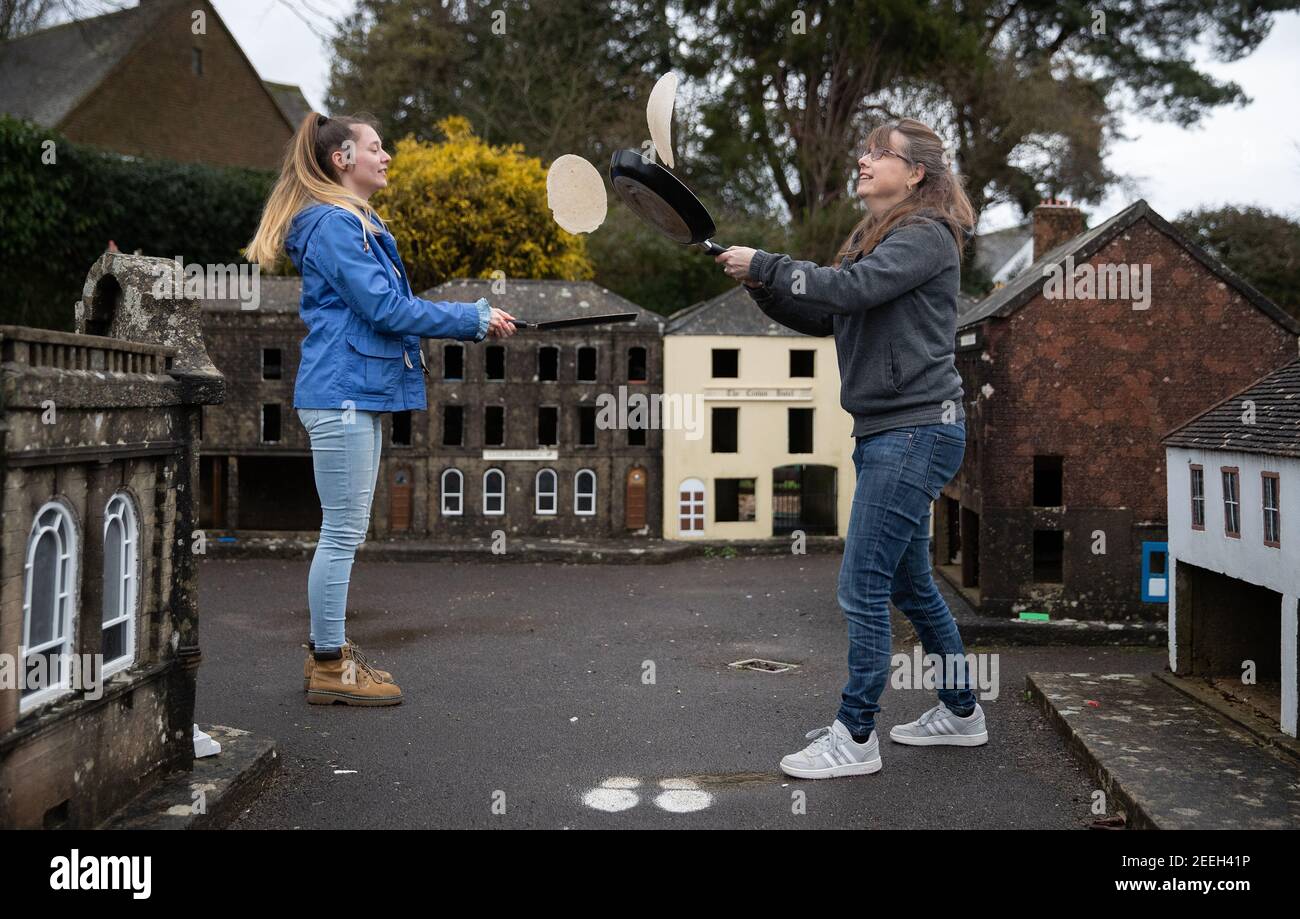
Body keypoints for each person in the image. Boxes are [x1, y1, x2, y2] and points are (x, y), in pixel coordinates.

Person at [714, 117, 987, 778]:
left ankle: (856, 735)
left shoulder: (926, 236)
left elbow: (848, 290)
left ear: (915, 172)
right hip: (893, 431)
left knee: (861, 583)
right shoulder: (878, 238)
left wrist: (769, 262)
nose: (863, 161)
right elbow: (829, 311)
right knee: (909, 583)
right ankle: (960, 711)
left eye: (879, 153)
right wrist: (759, 285)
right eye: (863, 150)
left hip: (915, 430)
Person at [246, 112, 518, 706]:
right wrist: (471, 318)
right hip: (340, 396)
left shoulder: (349, 224)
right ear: (342, 159)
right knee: (341, 532)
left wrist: (472, 320)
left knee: (346, 530)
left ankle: (331, 654)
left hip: (352, 395)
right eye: (375, 147)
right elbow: (387, 309)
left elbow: (386, 308)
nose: (386, 155)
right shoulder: (336, 226)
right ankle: (328, 665)